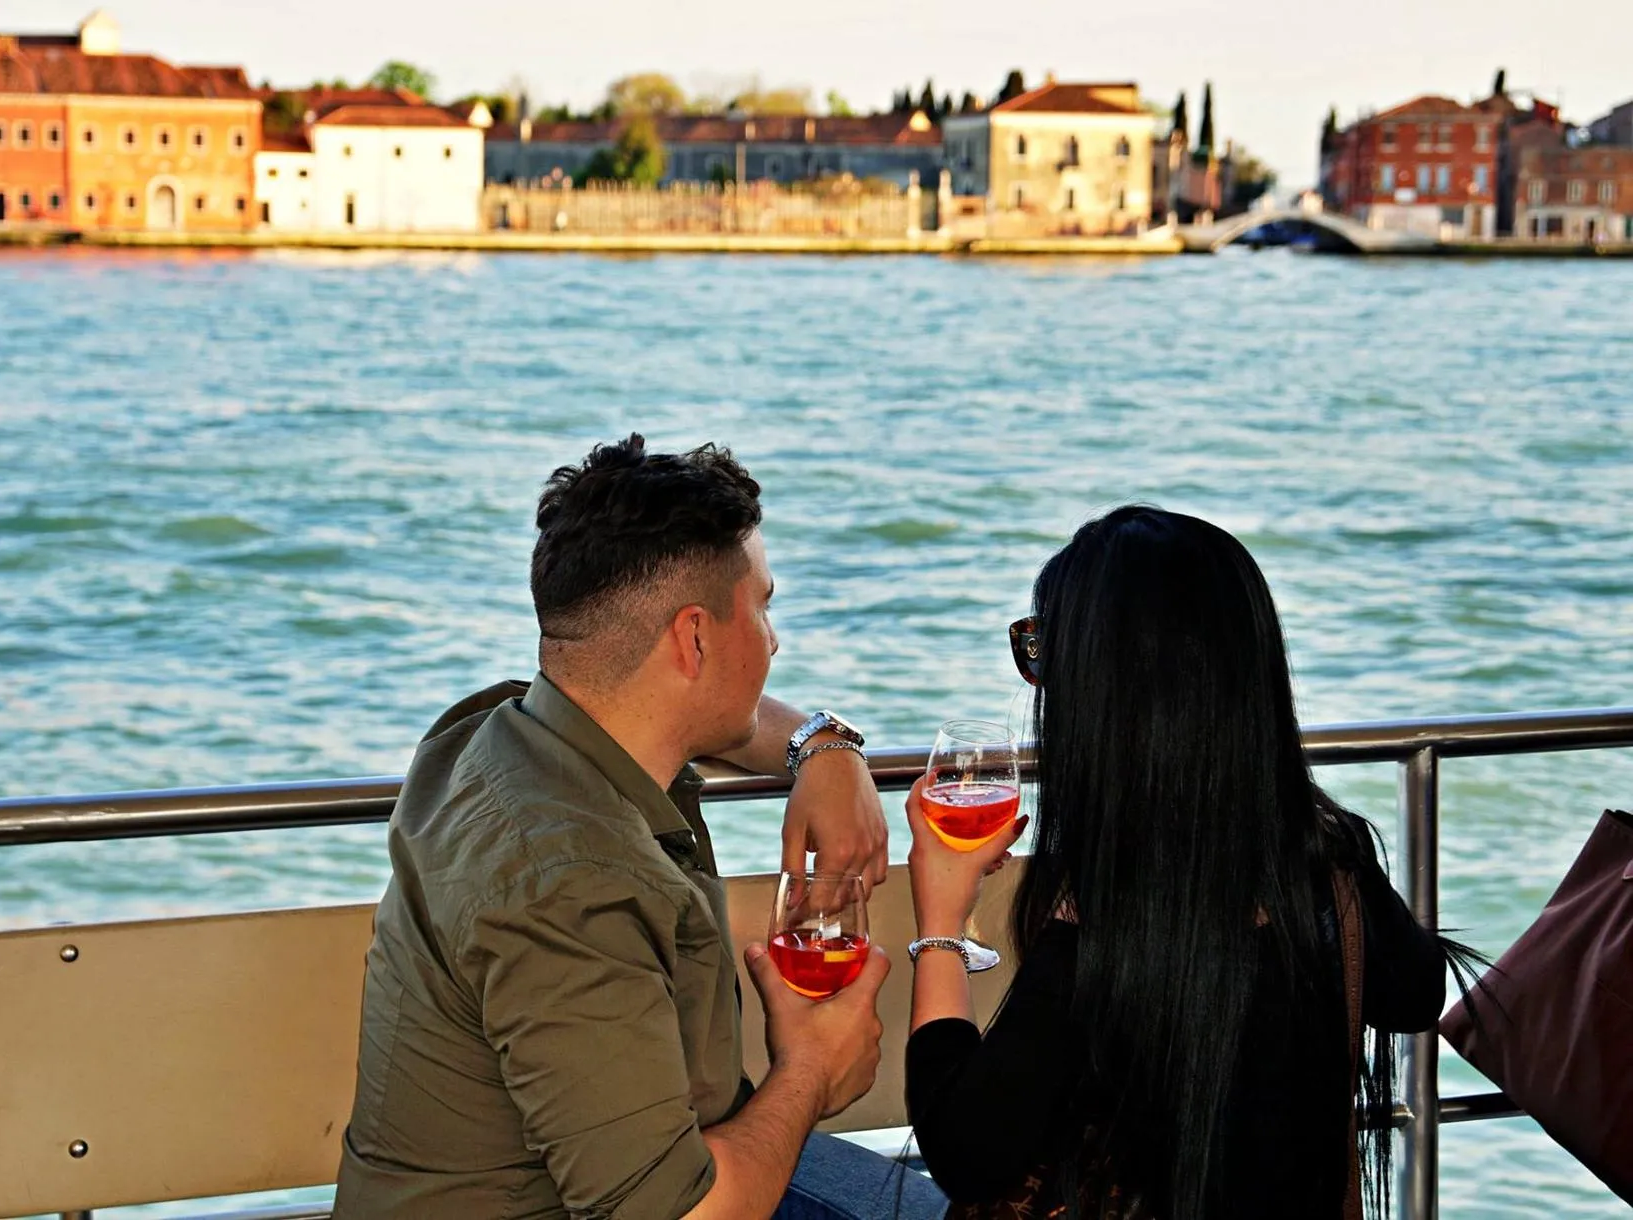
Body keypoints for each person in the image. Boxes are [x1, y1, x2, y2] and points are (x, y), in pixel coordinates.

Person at [334, 434, 946, 1220]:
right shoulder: (569, 884)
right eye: (762, 607)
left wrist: (822, 749)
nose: (774, 639)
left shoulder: (504, 728)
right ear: (694, 637)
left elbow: (725, 714)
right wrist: (812, 1071)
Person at [903, 506, 1471, 1220]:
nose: (1039, 679)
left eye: (1047, 651)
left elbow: (966, 1154)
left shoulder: (1101, 932)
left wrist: (940, 924)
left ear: (1105, 699)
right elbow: (1415, 994)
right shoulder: (1329, 860)